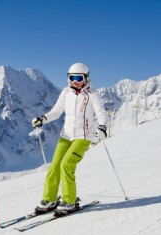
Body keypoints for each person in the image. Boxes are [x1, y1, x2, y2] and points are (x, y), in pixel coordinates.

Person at [32, 62, 108, 213]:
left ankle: (69, 201)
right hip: (65, 136)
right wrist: (43, 119)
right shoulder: (66, 93)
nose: (75, 82)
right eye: (72, 77)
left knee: (66, 164)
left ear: (86, 78)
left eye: (78, 78)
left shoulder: (92, 95)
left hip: (84, 137)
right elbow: (56, 111)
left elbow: (101, 113)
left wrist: (103, 128)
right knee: (54, 167)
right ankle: (50, 199)